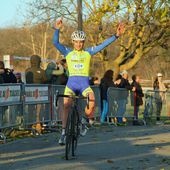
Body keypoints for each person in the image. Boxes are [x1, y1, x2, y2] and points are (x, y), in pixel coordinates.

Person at [53, 18, 124, 145]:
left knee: (91, 100)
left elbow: (103, 45)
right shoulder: (68, 52)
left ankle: (84, 121)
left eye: (81, 42)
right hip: (71, 84)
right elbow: (55, 43)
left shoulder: (88, 52)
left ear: (83, 42)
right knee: (66, 105)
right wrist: (57, 29)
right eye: (76, 42)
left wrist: (116, 36)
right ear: (73, 42)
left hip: (83, 84)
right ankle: (64, 132)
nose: (79, 44)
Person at [25, 55, 47, 133]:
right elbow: (45, 79)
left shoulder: (27, 70)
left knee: (30, 109)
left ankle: (29, 125)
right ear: (38, 61)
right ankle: (38, 125)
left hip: (29, 93)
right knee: (38, 110)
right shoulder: (42, 71)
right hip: (39, 93)